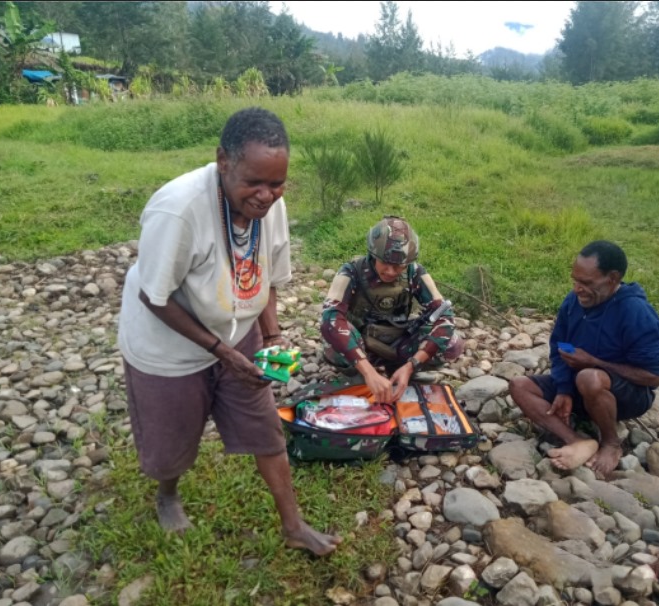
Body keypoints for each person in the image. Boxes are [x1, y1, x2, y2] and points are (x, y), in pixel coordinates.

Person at [117, 107, 341, 556]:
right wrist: (222, 351)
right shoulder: (178, 210)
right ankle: (168, 493)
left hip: (237, 333)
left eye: (277, 184)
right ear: (223, 161)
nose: (266, 195)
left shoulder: (270, 206)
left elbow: (265, 278)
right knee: (170, 443)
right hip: (168, 347)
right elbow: (153, 297)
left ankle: (293, 525)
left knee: (264, 427)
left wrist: (272, 336)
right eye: (254, 182)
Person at [509, 240, 659, 478]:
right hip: (580, 386)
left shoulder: (635, 312)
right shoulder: (575, 302)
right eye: (575, 280)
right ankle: (578, 441)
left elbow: (653, 377)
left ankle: (611, 443)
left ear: (612, 279)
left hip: (624, 395)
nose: (577, 289)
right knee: (519, 386)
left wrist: (595, 363)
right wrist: (563, 389)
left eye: (586, 283)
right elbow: (561, 346)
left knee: (589, 377)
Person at [320, 216, 463, 404]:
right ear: (373, 255)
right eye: (384, 263)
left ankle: (401, 371)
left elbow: (444, 316)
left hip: (398, 344)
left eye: (398, 266)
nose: (390, 271)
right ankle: (361, 375)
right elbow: (330, 318)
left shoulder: (415, 273)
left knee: (452, 343)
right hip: (361, 344)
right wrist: (368, 372)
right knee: (334, 339)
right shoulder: (351, 271)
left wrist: (412, 365)